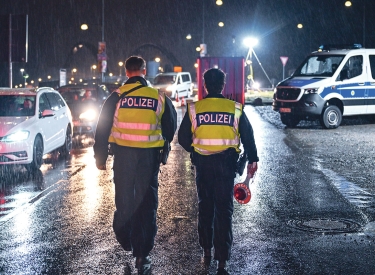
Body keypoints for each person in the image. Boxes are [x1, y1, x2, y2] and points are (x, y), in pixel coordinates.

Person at [93, 56, 177, 274]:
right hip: (148, 160)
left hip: (123, 158)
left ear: (126, 72)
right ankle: (142, 255)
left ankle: (126, 237)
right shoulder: (158, 96)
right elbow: (170, 126)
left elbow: (102, 129)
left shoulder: (116, 97)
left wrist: (100, 157)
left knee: (124, 201)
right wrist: (162, 142)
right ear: (143, 71)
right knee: (147, 204)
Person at [178, 68, 259, 275]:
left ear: (205, 85)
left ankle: (206, 250)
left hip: (203, 166)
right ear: (223, 85)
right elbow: (248, 136)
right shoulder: (235, 108)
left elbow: (183, 138)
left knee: (206, 207)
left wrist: (196, 151)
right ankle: (222, 261)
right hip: (226, 166)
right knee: (224, 211)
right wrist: (253, 159)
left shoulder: (195, 108)